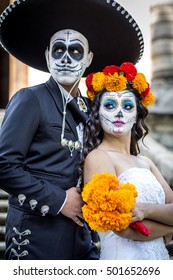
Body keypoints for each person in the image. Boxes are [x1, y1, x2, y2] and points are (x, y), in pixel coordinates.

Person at [0, 0, 144, 259]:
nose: (66, 59)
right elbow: (4, 166)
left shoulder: (92, 108)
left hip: (82, 236)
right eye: (58, 50)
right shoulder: (30, 99)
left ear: (89, 59)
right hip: (36, 235)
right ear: (47, 56)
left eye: (76, 51)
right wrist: (60, 201)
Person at [82, 62, 173, 260]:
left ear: (137, 114)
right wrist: (168, 226)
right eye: (110, 105)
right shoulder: (98, 157)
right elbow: (122, 227)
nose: (120, 112)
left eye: (128, 106)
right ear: (97, 112)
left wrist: (144, 210)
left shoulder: (145, 162)